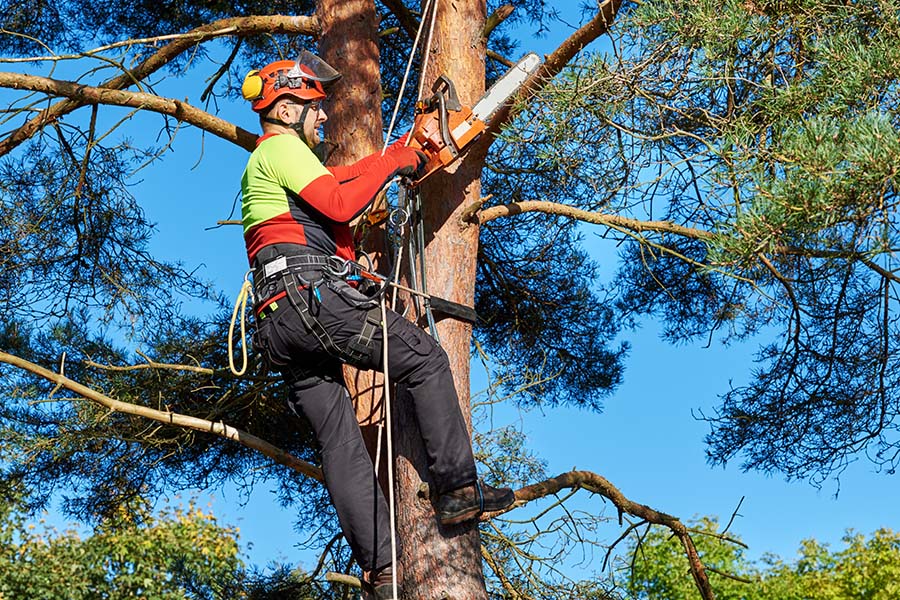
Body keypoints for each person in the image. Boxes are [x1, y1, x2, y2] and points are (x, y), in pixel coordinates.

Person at [239, 52, 515, 598]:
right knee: (426, 360)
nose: (323, 118)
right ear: (288, 107)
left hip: (278, 322)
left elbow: (340, 183)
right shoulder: (282, 149)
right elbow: (341, 202)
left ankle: (383, 570)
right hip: (309, 300)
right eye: (316, 108)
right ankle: (457, 489)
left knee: (340, 441)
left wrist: (400, 155)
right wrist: (396, 162)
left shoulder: (276, 166)